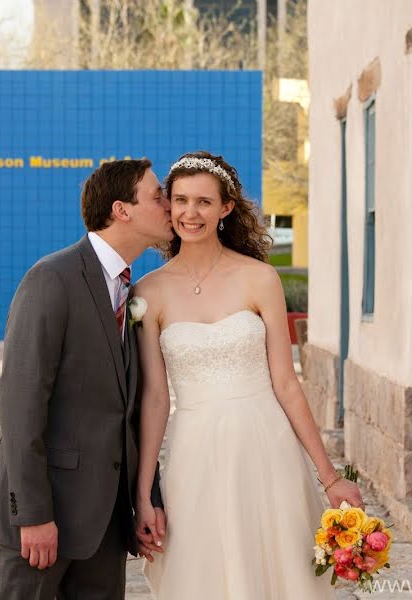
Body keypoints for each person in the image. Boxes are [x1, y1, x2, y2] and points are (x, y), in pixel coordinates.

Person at [134, 151, 365, 599]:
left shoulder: (260, 279)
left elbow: (286, 383)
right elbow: (156, 400)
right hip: (193, 453)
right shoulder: (149, 292)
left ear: (225, 209)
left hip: (266, 445)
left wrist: (329, 477)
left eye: (203, 201)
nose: (190, 213)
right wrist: (144, 495)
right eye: (180, 200)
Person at [0, 159, 172, 599]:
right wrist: (31, 514)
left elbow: (126, 412)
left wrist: (147, 498)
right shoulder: (52, 279)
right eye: (158, 195)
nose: (169, 206)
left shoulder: (134, 291)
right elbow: (21, 407)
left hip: (107, 521)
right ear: (121, 210)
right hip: (45, 516)